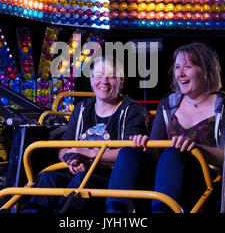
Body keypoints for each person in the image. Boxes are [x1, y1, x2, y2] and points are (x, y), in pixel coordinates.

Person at [106, 42, 225, 213]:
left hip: (205, 183)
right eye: (177, 67)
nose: (180, 73)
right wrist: (143, 143)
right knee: (129, 152)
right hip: (165, 180)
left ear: (206, 71)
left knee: (173, 153)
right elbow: (155, 149)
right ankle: (114, 215)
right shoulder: (168, 104)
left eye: (188, 66)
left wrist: (195, 148)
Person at [23, 56, 149, 213]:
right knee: (49, 178)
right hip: (79, 175)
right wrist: (72, 160)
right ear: (91, 80)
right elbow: (63, 148)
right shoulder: (81, 109)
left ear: (121, 82)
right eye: (99, 75)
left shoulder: (131, 109)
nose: (104, 81)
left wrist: (87, 154)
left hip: (112, 182)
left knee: (82, 181)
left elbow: (130, 152)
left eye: (111, 76)